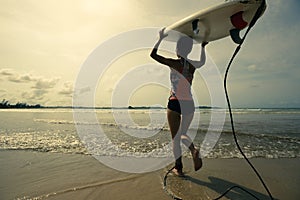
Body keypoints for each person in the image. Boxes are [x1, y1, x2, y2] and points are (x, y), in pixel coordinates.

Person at [150, 28, 208, 176]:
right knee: (183, 134)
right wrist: (202, 47)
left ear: (177, 49)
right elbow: (202, 61)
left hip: (175, 102)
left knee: (175, 138)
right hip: (189, 104)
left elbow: (153, 55)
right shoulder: (192, 65)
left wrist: (161, 39)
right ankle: (193, 150)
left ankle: (179, 168)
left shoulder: (174, 63)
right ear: (188, 50)